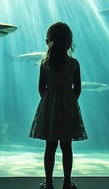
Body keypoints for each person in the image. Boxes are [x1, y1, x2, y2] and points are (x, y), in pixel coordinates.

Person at [29, 22, 87, 189]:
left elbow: (41, 88)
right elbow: (78, 88)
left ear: (48, 41)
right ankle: (67, 182)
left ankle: (48, 182)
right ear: (69, 42)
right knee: (67, 146)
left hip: (50, 106)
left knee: (50, 145)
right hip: (69, 106)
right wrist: (69, 101)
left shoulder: (44, 63)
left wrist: (49, 102)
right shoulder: (74, 63)